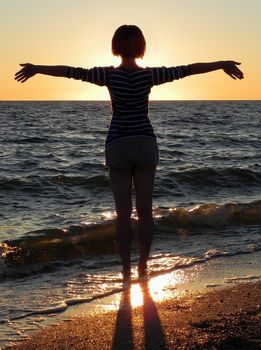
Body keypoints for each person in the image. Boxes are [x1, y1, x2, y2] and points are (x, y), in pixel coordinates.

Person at [15, 24, 244, 286]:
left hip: (119, 144)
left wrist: (36, 68)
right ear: (141, 47)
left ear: (115, 47)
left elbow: (70, 72)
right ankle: (143, 268)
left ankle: (125, 271)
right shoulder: (149, 75)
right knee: (145, 212)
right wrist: (221, 63)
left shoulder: (108, 76)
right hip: (144, 142)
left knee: (122, 214)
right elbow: (188, 69)